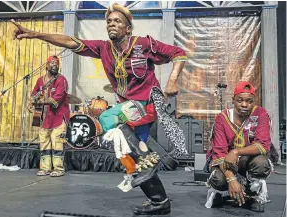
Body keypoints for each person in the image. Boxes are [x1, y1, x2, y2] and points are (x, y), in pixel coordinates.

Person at [12, 3, 187, 215]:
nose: (112, 24)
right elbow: (70, 41)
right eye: (109, 21)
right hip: (129, 110)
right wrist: (36, 35)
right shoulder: (103, 48)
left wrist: (173, 80)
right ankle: (159, 200)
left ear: (128, 28)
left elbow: (178, 53)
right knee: (129, 156)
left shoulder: (144, 44)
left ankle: (147, 164)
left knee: (106, 118)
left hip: (148, 103)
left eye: (117, 21)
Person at [205, 81, 272, 212]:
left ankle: (253, 195)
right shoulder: (222, 118)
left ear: (254, 101)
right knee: (219, 179)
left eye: (249, 101)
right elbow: (219, 153)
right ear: (233, 100)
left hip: (248, 160)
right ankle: (223, 193)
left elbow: (263, 145)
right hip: (226, 162)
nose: (244, 105)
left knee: (261, 163)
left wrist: (236, 151)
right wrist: (231, 179)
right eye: (240, 100)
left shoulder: (261, 114)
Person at [28, 56, 70, 177]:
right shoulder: (40, 80)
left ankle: (58, 169)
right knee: (44, 142)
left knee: (57, 142)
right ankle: (45, 168)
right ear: (46, 66)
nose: (54, 65)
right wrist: (31, 102)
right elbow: (33, 94)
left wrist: (39, 101)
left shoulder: (62, 80)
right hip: (44, 117)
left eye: (56, 63)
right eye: (52, 63)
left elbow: (57, 98)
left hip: (58, 116)